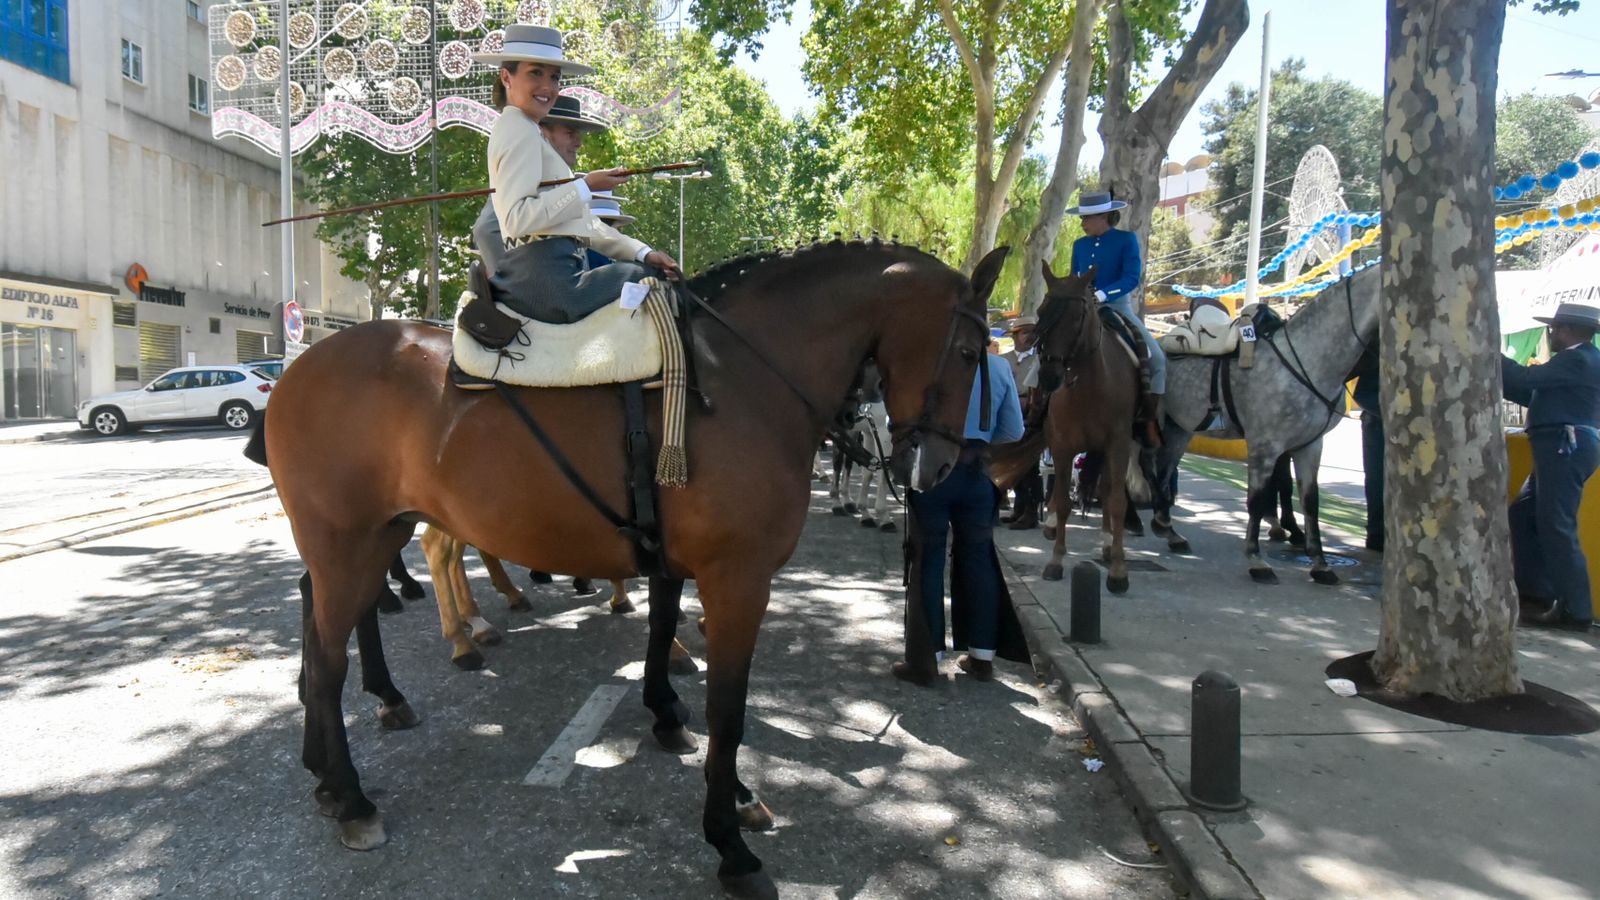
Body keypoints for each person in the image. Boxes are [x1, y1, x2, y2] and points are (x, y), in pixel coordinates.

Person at [472, 25, 676, 324]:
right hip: (548, 282)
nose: (547, 86)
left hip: (552, 275)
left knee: (645, 270)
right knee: (648, 280)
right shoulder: (518, 129)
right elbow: (517, 219)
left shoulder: (525, 129)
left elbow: (584, 225)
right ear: (506, 77)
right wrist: (585, 186)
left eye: (554, 77)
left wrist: (643, 252)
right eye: (535, 73)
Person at [894, 351, 1028, 685]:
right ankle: (982, 657)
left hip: (931, 474)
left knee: (928, 559)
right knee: (980, 560)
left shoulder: (926, 359)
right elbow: (1013, 430)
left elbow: (897, 420)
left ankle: (927, 657)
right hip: (976, 474)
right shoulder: (998, 366)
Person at [1503, 303, 1600, 633]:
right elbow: (1530, 392)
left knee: (1557, 525)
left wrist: (1489, 354)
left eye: (1555, 328)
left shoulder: (1578, 359)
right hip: (1557, 447)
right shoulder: (1579, 361)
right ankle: (1535, 592)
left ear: (1569, 330)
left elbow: (1526, 378)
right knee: (1523, 515)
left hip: (1564, 447)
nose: (1551, 334)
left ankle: (1576, 610)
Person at [1067, 190, 1165, 441]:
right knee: (1048, 351)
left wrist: (1102, 295)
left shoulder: (1126, 240)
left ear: (1103, 216)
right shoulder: (1079, 245)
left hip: (1118, 307)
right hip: (1083, 310)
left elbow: (1131, 277)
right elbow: (1074, 277)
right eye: (1082, 218)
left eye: (1086, 218)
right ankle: (1037, 410)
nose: (1082, 223)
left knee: (1157, 361)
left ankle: (1148, 419)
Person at [471, 93, 607, 270]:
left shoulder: (562, 180)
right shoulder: (524, 176)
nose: (578, 143)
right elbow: (486, 229)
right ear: (543, 134)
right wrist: (508, 280)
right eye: (570, 133)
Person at [1000, 315, 1044, 529]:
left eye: (1033, 332)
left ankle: (1031, 511)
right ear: (1015, 336)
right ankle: (1018, 508)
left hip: (1031, 415)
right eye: (1025, 332)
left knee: (1030, 465)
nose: (1030, 337)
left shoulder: (1040, 360)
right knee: (1011, 464)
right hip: (1006, 414)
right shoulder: (1003, 359)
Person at [1349, 342, 1384, 552]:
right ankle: (1376, 535)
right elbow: (1362, 394)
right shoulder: (1380, 350)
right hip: (1377, 427)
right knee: (1377, 481)